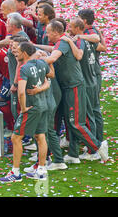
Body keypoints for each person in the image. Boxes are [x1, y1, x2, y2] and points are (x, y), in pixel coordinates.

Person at [42, 20, 108, 163]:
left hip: (75, 86)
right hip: (69, 87)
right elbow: (52, 50)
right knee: (70, 121)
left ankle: (97, 146)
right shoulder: (62, 42)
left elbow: (53, 57)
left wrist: (34, 62)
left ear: (55, 32)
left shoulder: (64, 42)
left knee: (76, 123)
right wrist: (33, 47)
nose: (46, 35)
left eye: (48, 32)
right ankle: (73, 154)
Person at [0, 42, 52, 182]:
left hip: (31, 107)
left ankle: (15, 173)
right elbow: (49, 79)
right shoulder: (41, 63)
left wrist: (23, 108)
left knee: (16, 138)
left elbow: (21, 92)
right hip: (43, 104)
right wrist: (39, 89)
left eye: (19, 51)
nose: (16, 53)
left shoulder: (24, 68)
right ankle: (41, 170)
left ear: (25, 53)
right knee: (40, 137)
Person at [65, 17, 102, 160]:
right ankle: (93, 145)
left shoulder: (80, 41)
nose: (69, 29)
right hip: (92, 79)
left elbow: (79, 56)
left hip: (85, 83)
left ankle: (94, 150)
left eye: (72, 27)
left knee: (88, 116)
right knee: (91, 113)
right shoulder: (88, 39)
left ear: (78, 28)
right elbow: (98, 41)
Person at [77, 9, 107, 144]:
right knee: (91, 108)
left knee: (93, 108)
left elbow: (101, 46)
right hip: (91, 73)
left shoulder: (91, 32)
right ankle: (93, 138)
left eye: (78, 18)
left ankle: (97, 140)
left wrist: (80, 37)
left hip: (93, 73)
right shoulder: (91, 31)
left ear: (83, 21)